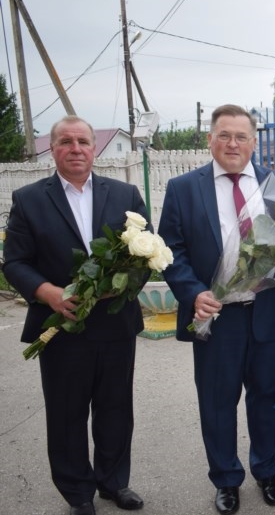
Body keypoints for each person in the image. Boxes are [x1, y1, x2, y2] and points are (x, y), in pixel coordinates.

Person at [159, 104, 275, 514]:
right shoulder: (185, 188)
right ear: (210, 139)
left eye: (241, 136)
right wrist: (191, 293)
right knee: (218, 402)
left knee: (266, 397)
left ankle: (267, 471)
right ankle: (225, 479)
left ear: (254, 141)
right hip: (216, 316)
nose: (233, 143)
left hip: (266, 313)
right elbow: (173, 251)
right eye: (224, 135)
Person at [4, 116, 148, 515]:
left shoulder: (125, 195)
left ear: (93, 148)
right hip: (61, 327)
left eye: (82, 141)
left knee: (116, 407)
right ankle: (78, 493)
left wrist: (120, 286)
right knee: (67, 413)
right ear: (52, 149)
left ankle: (114, 483)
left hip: (115, 324)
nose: (76, 148)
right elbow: (14, 262)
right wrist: (46, 292)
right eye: (65, 142)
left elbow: (146, 255)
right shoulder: (30, 199)